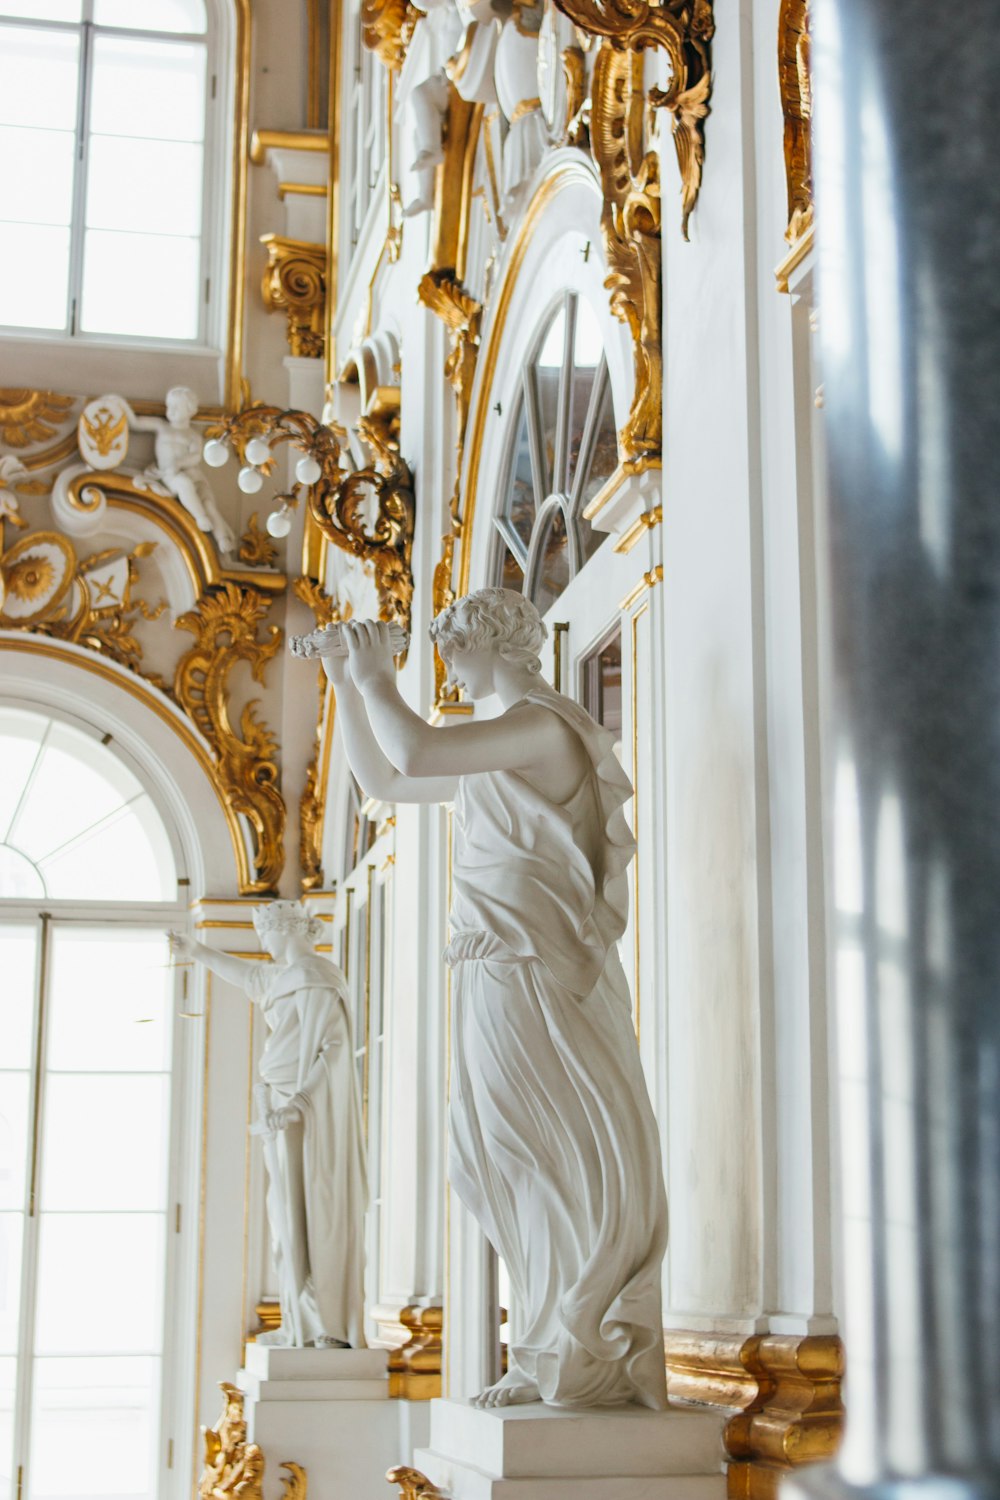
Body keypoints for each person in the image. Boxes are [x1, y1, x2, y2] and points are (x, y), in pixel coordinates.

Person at [319, 588, 668, 1409]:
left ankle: (578, 1350)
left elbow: (413, 752)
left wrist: (376, 677)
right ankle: (549, 1348)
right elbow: (389, 781)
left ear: (496, 644)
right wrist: (345, 680)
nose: (444, 662)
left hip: (536, 968)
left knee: (552, 1152)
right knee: (507, 1156)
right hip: (490, 966)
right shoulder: (496, 747)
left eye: (453, 647)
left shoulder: (542, 726)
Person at [171, 901, 367, 1348]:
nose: (263, 945)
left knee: (315, 1210)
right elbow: (242, 974)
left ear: (285, 931)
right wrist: (196, 950)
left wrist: (300, 1101)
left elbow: (334, 1048)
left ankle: (327, 1326)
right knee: (283, 1217)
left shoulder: (317, 977)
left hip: (307, 1107)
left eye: (266, 936)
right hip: (276, 1104)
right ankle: (300, 1320)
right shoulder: (278, 979)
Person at [125, 386, 236, 554]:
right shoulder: (162, 426)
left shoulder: (192, 436)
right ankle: (200, 517)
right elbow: (135, 422)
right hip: (169, 475)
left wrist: (179, 463)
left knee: (209, 505)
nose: (171, 411)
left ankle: (222, 539)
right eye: (170, 406)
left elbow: (196, 456)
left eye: (177, 407)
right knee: (184, 485)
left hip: (192, 475)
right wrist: (120, 406)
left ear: (190, 410)